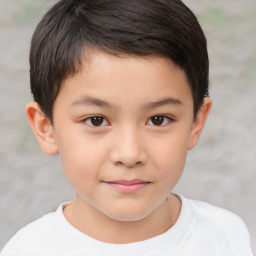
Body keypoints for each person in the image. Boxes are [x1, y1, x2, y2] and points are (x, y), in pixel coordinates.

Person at [1, 0, 253, 255]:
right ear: (46, 128)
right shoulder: (27, 250)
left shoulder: (225, 236)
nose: (130, 154)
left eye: (158, 119)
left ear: (195, 123)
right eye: (96, 120)